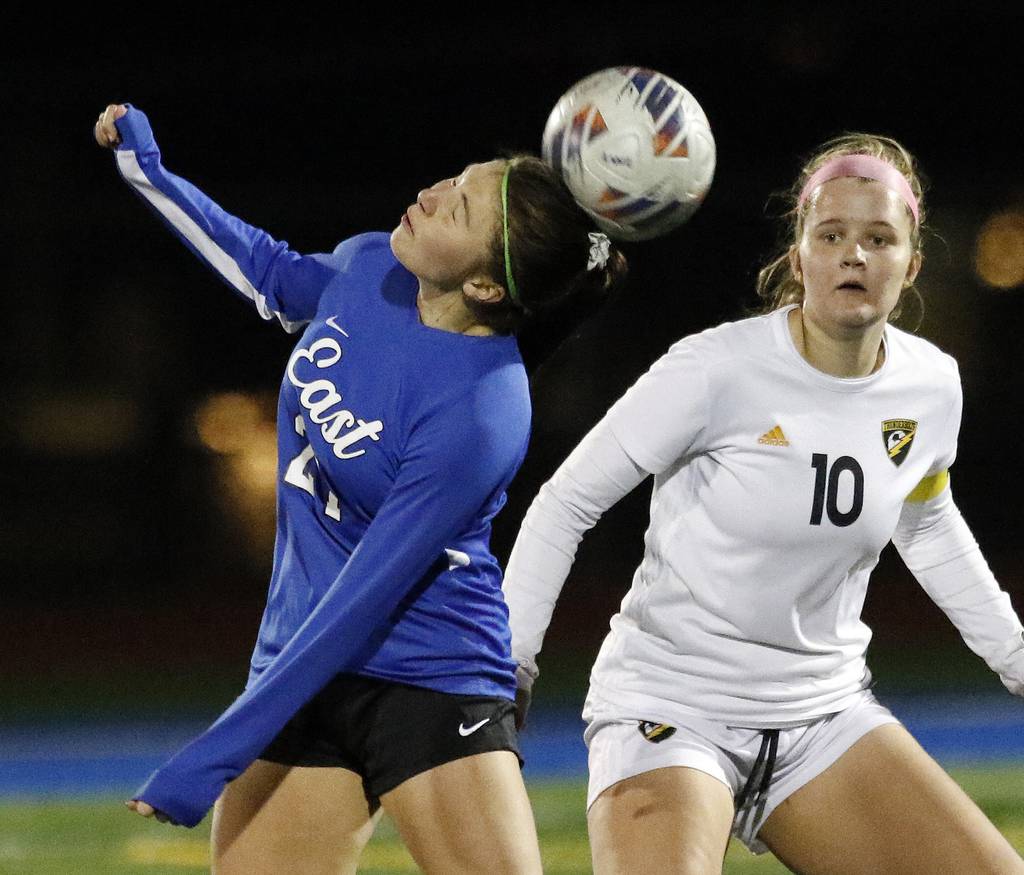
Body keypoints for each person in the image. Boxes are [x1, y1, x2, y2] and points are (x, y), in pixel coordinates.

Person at [93, 102, 625, 875]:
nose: (433, 192)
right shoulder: (371, 266)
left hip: (429, 680)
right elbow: (268, 269)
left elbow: (361, 598)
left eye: (460, 206)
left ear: (482, 284)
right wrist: (150, 171)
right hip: (300, 661)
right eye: (456, 178)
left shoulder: (481, 413)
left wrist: (214, 754)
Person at [503, 133, 1024, 873]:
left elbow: (927, 520)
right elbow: (565, 503)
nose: (854, 254)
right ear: (800, 254)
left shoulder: (932, 384)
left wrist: (1014, 655)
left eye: (879, 238)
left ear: (910, 264)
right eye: (831, 234)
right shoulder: (714, 369)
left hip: (825, 716)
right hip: (672, 709)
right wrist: (508, 662)